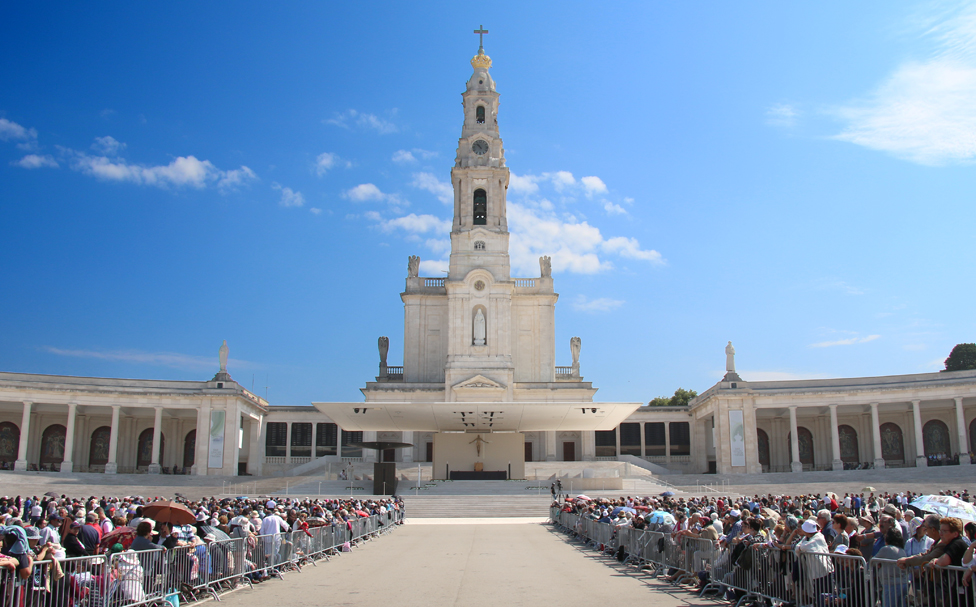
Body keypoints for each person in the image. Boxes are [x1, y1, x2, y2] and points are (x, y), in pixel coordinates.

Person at [875, 527, 908, 607]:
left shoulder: (886, 549)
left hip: (890, 585)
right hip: (903, 583)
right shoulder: (902, 550)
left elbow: (873, 561)